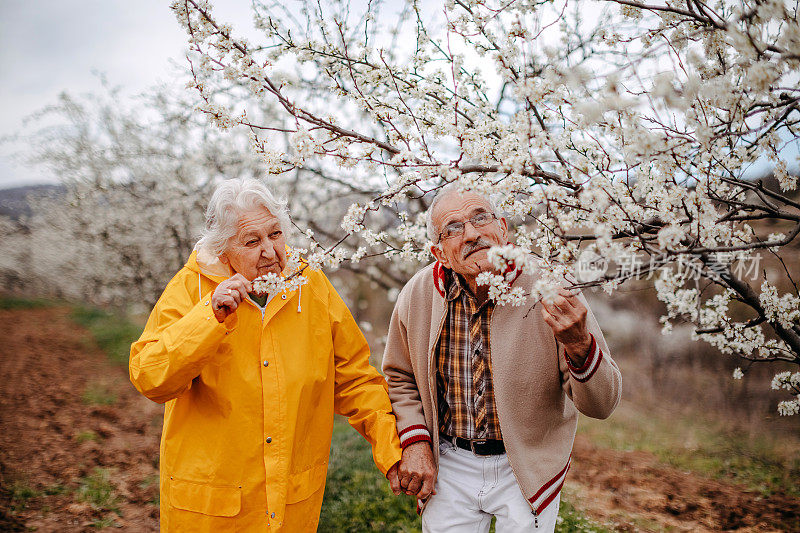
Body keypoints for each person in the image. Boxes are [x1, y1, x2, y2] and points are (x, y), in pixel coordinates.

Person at [130, 178, 402, 531]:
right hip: (210, 512)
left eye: (275, 234)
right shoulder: (190, 288)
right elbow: (150, 377)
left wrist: (392, 452)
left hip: (291, 509)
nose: (270, 252)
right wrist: (208, 318)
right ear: (223, 249)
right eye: (252, 241)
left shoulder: (309, 285)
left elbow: (355, 378)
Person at [382, 185, 622, 532]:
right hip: (450, 460)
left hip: (525, 463)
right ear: (440, 254)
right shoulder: (418, 294)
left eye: (481, 218)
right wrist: (416, 440)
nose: (473, 234)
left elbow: (603, 404)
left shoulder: (550, 286)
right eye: (454, 228)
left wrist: (579, 345)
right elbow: (399, 377)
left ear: (504, 228)